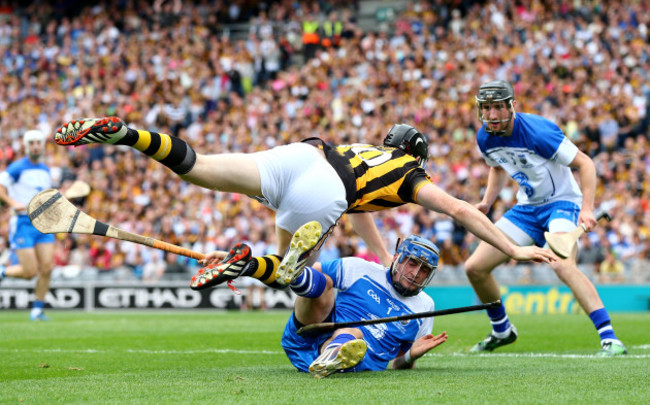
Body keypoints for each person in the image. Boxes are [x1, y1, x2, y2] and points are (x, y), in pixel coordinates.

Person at [53, 118, 555, 293]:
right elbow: (464, 211)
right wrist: (512, 248)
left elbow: (362, 220)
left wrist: (383, 263)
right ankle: (247, 262)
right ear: (418, 156)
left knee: (198, 167)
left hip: (302, 154)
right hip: (324, 193)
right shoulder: (411, 174)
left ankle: (128, 135)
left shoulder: (368, 151)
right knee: (287, 275)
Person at [465, 80, 627, 357]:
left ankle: (610, 339)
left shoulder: (538, 132)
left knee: (563, 266)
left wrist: (587, 209)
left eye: (497, 108)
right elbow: (497, 168)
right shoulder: (485, 137)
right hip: (526, 209)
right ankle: (502, 330)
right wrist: (487, 201)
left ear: (511, 106)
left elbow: (585, 163)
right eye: (487, 108)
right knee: (475, 267)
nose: (491, 115)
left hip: (561, 203)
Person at [271, 222, 451, 378]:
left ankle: (329, 357)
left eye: (425, 270)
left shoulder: (426, 307)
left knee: (354, 333)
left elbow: (397, 364)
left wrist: (411, 356)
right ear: (397, 258)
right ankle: (296, 274)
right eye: (412, 263)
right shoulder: (360, 268)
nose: (416, 274)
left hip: (357, 359)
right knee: (323, 280)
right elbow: (317, 271)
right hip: (305, 337)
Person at [0, 130, 55, 321]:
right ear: (26, 145)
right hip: (23, 222)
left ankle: (37, 310)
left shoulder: (45, 170)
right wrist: (12, 202)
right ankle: (2, 271)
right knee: (29, 271)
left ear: (42, 145)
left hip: (44, 224)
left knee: (47, 267)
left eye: (38, 143)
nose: (35, 146)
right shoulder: (17, 167)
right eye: (31, 143)